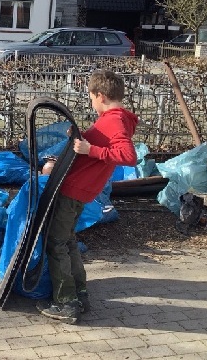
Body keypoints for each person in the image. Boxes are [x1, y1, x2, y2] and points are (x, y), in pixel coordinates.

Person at [41, 70, 138, 324]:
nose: (91, 103)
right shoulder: (120, 119)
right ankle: (80, 294)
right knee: (67, 240)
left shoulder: (114, 120)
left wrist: (89, 148)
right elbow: (102, 146)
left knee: (56, 243)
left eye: (91, 98)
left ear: (101, 95)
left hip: (74, 190)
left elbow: (128, 156)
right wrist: (79, 139)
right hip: (83, 189)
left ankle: (66, 303)